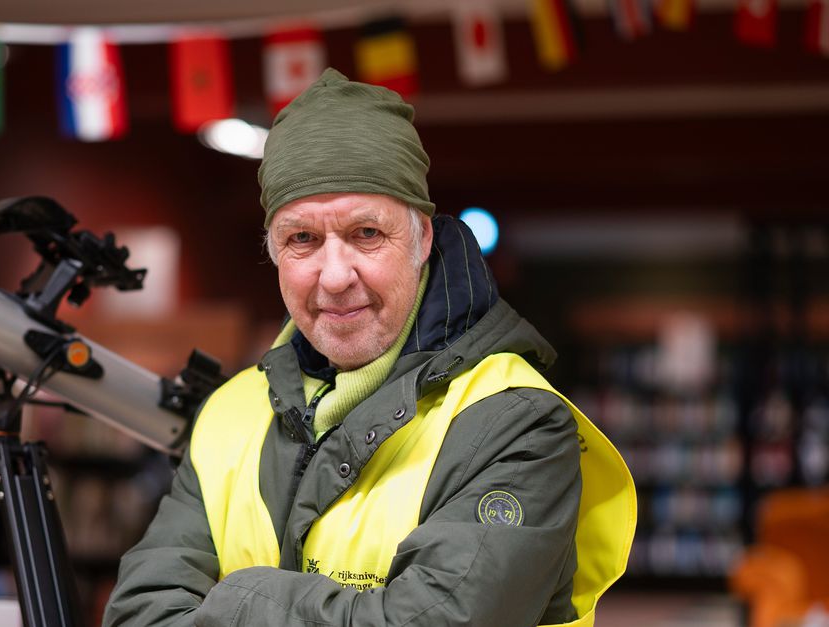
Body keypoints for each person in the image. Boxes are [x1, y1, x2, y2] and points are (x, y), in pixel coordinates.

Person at [103, 69, 635, 627]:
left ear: (422, 239)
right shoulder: (228, 415)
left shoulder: (513, 422)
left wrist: (241, 600)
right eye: (302, 239)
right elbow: (140, 614)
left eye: (366, 234)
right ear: (273, 253)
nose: (334, 276)